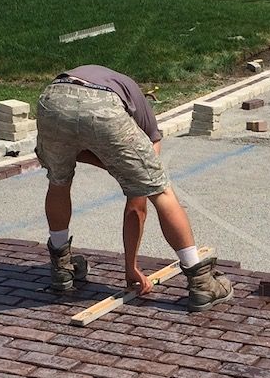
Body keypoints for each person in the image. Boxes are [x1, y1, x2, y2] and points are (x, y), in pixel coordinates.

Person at [35, 66, 232, 311]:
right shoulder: (143, 117)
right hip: (101, 105)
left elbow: (78, 153)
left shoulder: (115, 84)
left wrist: (120, 169)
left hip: (54, 101)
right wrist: (131, 267)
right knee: (162, 191)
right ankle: (201, 283)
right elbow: (138, 203)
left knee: (58, 182)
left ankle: (61, 267)